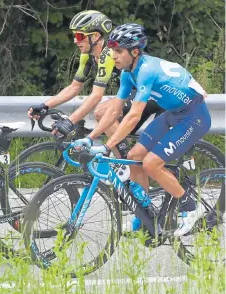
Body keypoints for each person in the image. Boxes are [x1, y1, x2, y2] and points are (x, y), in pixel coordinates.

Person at [75, 23, 210, 236]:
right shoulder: (127, 74)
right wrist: (91, 138)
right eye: (112, 51)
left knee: (151, 164)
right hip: (173, 113)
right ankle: (144, 215)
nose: (114, 56)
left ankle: (191, 208)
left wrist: (108, 146)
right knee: (134, 156)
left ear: (135, 52)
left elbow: (134, 115)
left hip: (194, 116)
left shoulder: (146, 70)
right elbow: (114, 111)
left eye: (119, 51)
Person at [27, 10, 164, 178]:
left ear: (95, 36)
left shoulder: (108, 53)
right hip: (133, 93)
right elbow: (74, 87)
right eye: (74, 36)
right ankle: (125, 159)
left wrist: (70, 121)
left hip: (152, 95)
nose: (76, 41)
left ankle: (126, 165)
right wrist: (45, 105)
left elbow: (96, 96)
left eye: (79, 36)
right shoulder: (87, 56)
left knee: (102, 111)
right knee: (106, 111)